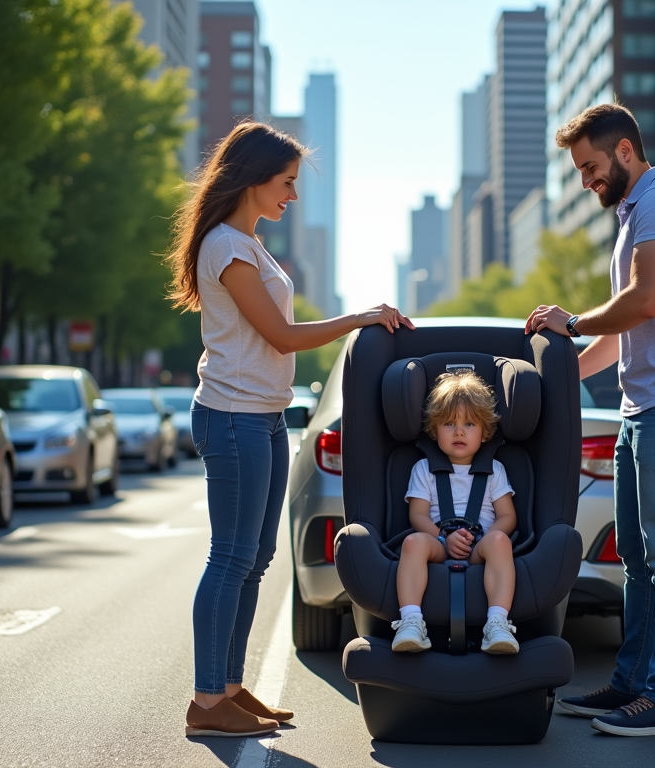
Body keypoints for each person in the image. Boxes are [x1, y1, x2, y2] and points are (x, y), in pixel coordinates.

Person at [165, 120, 413, 738]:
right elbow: (281, 336)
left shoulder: (250, 243)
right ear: (251, 178)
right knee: (230, 557)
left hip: (265, 415)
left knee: (255, 559)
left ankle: (227, 686)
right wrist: (361, 317)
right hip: (233, 416)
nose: (292, 196)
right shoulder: (225, 245)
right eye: (286, 182)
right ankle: (205, 700)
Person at [526, 103, 655, 736]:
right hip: (643, 406)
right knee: (637, 561)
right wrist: (555, 382)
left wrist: (573, 322)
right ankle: (634, 685)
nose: (585, 180)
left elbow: (643, 302)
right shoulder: (633, 215)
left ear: (623, 151)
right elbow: (625, 336)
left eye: (589, 167)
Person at [391, 371, 520, 655]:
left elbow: (507, 516)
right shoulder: (423, 469)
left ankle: (497, 622)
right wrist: (444, 538)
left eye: (469, 424)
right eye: (449, 423)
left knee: (501, 542)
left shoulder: (495, 471)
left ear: (485, 432)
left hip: (479, 546)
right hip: (437, 543)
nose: (459, 431)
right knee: (412, 543)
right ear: (434, 429)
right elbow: (418, 516)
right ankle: (411, 621)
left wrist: (483, 539)